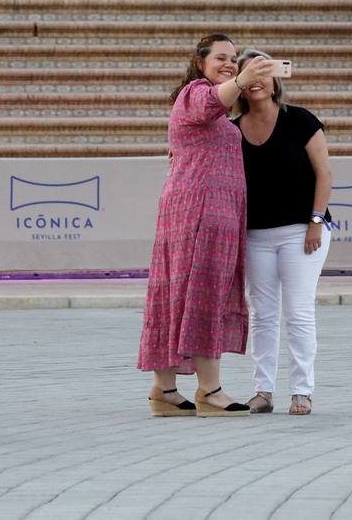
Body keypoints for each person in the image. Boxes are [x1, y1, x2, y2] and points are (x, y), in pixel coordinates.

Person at [138, 34, 276, 417]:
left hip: (200, 212)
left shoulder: (214, 105)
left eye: (234, 58)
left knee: (177, 294)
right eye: (221, 58)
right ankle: (209, 389)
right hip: (199, 213)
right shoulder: (196, 93)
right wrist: (244, 77)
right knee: (201, 294)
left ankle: (164, 390)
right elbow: (211, 103)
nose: (230, 63)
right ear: (200, 63)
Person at [232, 49, 332, 417]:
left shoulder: (301, 120)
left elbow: (324, 172)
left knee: (299, 311)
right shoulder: (231, 129)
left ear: (275, 80)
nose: (257, 80)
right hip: (255, 234)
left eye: (264, 71)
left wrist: (315, 221)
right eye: (248, 73)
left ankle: (302, 391)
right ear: (239, 84)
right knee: (262, 313)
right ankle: (263, 390)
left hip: (301, 231)